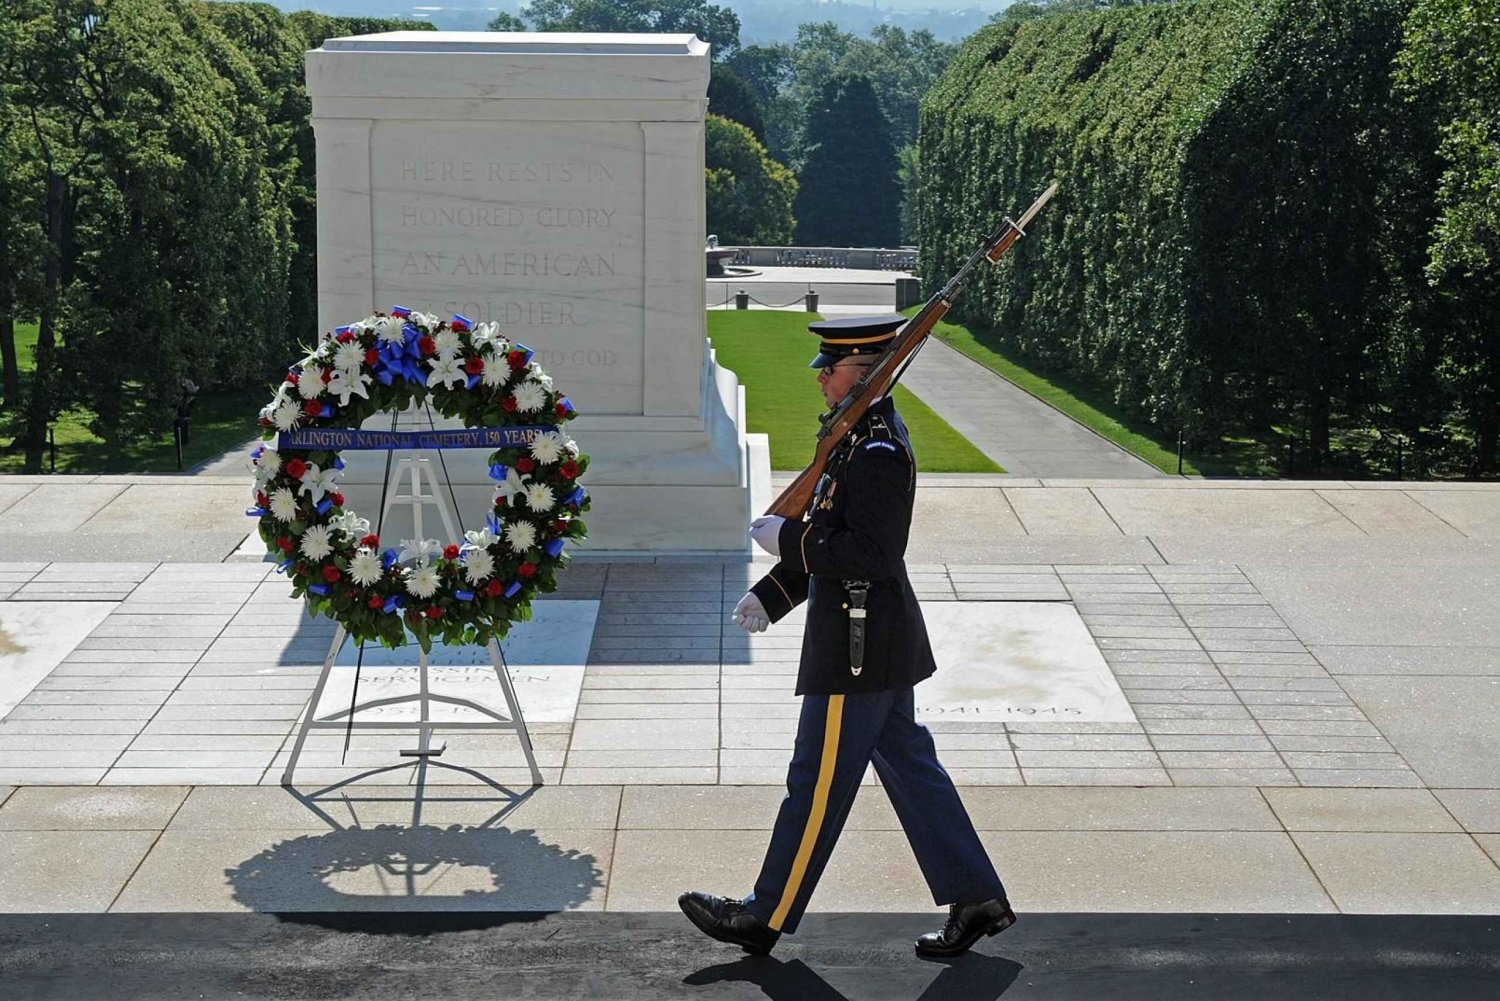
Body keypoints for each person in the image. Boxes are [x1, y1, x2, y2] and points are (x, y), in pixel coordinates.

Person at [678, 313, 1015, 960]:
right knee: (913, 770)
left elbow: (869, 552)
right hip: (877, 639)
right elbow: (835, 535)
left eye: (829, 370)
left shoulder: (879, 450)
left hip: (857, 647)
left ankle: (764, 913)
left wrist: (791, 539)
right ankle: (977, 897)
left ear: (863, 375)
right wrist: (773, 593)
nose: (820, 380)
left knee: (815, 781)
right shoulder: (855, 438)